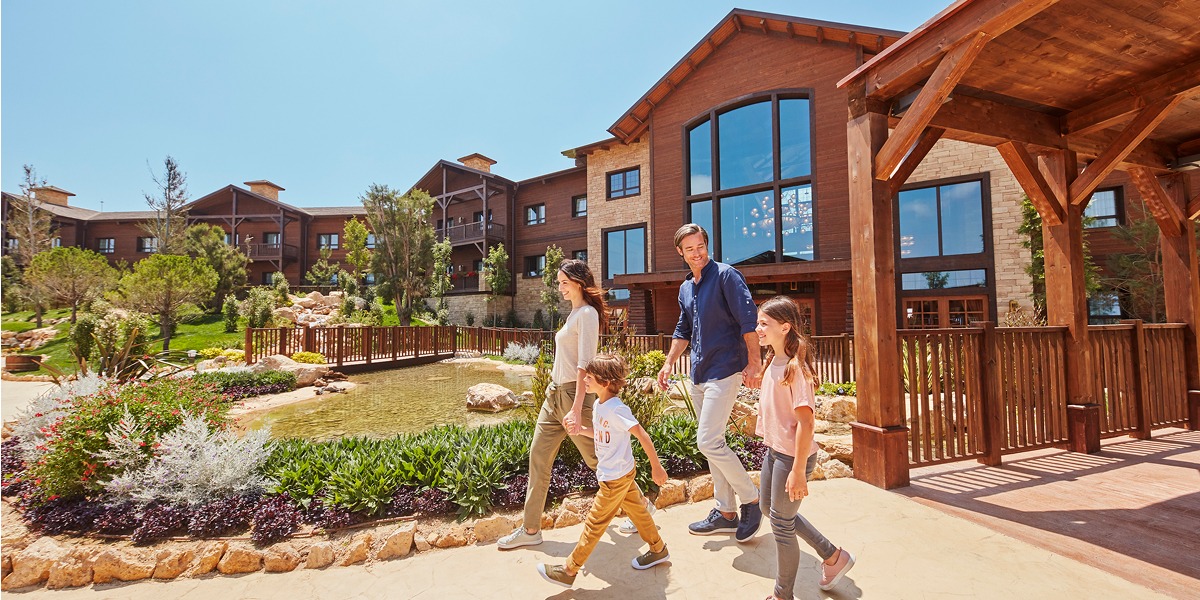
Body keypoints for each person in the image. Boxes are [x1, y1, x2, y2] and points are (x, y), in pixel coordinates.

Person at [498, 259, 651, 549]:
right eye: (559, 283)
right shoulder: (573, 314)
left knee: (599, 459)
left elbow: (585, 365)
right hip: (554, 395)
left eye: (564, 282)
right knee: (538, 457)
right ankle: (531, 530)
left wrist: (577, 408)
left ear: (579, 283)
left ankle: (641, 505)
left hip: (574, 397)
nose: (560, 288)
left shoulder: (588, 315)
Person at [657, 223, 762, 541]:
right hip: (699, 374)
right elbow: (683, 329)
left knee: (708, 442)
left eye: (700, 246)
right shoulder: (685, 288)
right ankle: (725, 511)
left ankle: (752, 500)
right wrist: (669, 362)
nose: (697, 253)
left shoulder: (727, 276)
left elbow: (748, 320)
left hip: (725, 369)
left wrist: (754, 362)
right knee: (714, 443)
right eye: (689, 249)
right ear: (680, 252)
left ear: (707, 245)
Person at [537, 353, 670, 587]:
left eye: (589, 377)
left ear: (606, 382)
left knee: (594, 524)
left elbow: (642, 435)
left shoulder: (617, 409)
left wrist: (656, 467)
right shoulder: (600, 405)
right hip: (621, 473)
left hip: (615, 478)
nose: (584, 380)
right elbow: (600, 433)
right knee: (639, 514)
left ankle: (569, 570)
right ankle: (658, 549)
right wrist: (580, 430)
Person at [754, 296, 854, 599]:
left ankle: (782, 594)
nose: (758, 329)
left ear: (785, 327)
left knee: (781, 525)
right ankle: (833, 556)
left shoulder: (795, 369)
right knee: (768, 510)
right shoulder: (773, 362)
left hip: (792, 458)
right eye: (758, 323)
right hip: (775, 451)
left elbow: (806, 423)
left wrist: (798, 471)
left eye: (764, 324)